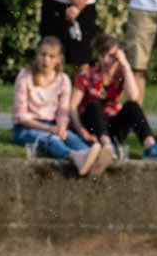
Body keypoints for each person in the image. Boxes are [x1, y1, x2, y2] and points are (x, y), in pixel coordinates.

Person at [12, 38, 104, 173]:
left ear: (59, 59)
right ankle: (75, 157)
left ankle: (92, 156)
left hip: (52, 124)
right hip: (27, 127)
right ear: (37, 55)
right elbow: (21, 117)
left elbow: (63, 112)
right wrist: (49, 128)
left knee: (70, 137)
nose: (46, 60)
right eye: (43, 55)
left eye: (51, 56)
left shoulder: (63, 80)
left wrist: (61, 127)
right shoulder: (25, 77)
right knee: (52, 140)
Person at [76, 34, 157, 161]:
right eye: (103, 55)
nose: (107, 60)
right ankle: (107, 147)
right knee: (95, 105)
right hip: (92, 126)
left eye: (112, 56)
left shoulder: (121, 73)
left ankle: (150, 146)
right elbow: (72, 106)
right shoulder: (88, 74)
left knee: (132, 106)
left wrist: (125, 65)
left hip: (112, 126)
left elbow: (133, 96)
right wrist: (82, 132)